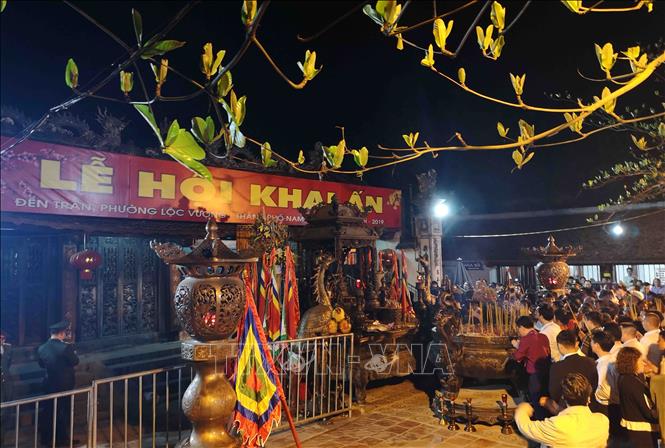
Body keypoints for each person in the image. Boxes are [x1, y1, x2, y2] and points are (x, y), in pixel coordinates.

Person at [515, 373, 609, 448]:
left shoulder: (557, 425)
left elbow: (526, 427)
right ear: (588, 398)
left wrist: (522, 409)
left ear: (563, 398)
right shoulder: (603, 420)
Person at [37, 320, 79, 447]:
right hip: (64, 385)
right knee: (62, 413)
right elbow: (75, 361)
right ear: (61, 333)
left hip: (49, 384)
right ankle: (62, 439)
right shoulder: (66, 347)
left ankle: (46, 439)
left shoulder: (42, 348)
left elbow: (41, 364)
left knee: (48, 412)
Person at [616, 346, 660, 448]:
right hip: (642, 433)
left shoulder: (622, 377)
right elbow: (648, 412)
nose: (643, 364)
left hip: (631, 430)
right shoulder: (634, 383)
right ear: (632, 363)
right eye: (640, 361)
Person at [545, 330, 598, 414]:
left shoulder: (556, 367)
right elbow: (595, 385)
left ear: (560, 346)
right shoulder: (590, 362)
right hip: (590, 408)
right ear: (576, 343)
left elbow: (554, 393)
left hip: (567, 410)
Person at [511, 315, 551, 419]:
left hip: (535, 374)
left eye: (518, 329)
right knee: (544, 399)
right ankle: (545, 419)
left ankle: (538, 420)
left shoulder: (526, 339)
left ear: (522, 327)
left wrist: (515, 345)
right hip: (547, 372)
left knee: (536, 398)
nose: (519, 332)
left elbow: (517, 356)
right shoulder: (543, 336)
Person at [591, 330, 616, 416]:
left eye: (592, 341)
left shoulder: (601, 365)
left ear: (597, 345)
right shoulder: (614, 358)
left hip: (605, 406)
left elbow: (602, 387)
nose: (590, 344)